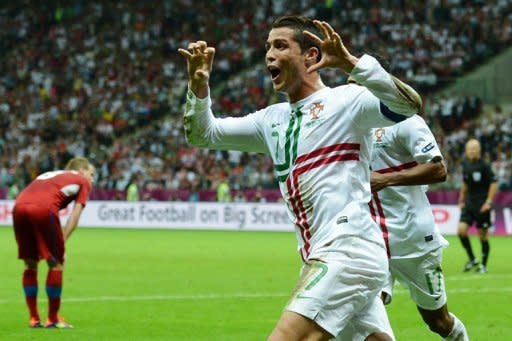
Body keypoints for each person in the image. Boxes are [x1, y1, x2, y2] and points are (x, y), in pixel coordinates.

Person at [179, 15, 421, 340]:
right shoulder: (271, 120)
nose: (269, 55)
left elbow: (409, 105)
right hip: (326, 253)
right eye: (267, 47)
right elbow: (203, 134)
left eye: (280, 45)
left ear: (310, 56)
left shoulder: (346, 102)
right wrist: (198, 88)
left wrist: (352, 63)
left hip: (347, 250)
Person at [349, 115, 468, 340]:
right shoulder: (351, 123)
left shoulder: (405, 121)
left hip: (413, 239)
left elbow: (438, 170)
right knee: (363, 311)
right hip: (371, 238)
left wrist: (385, 179)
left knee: (439, 323)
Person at [12, 157, 95, 329]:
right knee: (56, 264)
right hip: (43, 208)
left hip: (18, 206)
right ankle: (53, 319)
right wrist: (61, 242)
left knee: (30, 264)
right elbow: (75, 216)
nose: (92, 179)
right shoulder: (82, 181)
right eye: (91, 174)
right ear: (81, 171)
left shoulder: (50, 175)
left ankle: (34, 319)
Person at [457, 138, 498, 273]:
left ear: (479, 150)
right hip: (469, 204)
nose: (472, 151)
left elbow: (493, 183)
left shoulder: (485, 165)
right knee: (461, 231)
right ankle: (472, 259)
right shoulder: (465, 164)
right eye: (469, 148)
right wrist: (461, 199)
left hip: (482, 205)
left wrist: (488, 202)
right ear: (466, 151)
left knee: (482, 235)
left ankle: (483, 265)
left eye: (474, 148)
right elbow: (465, 183)